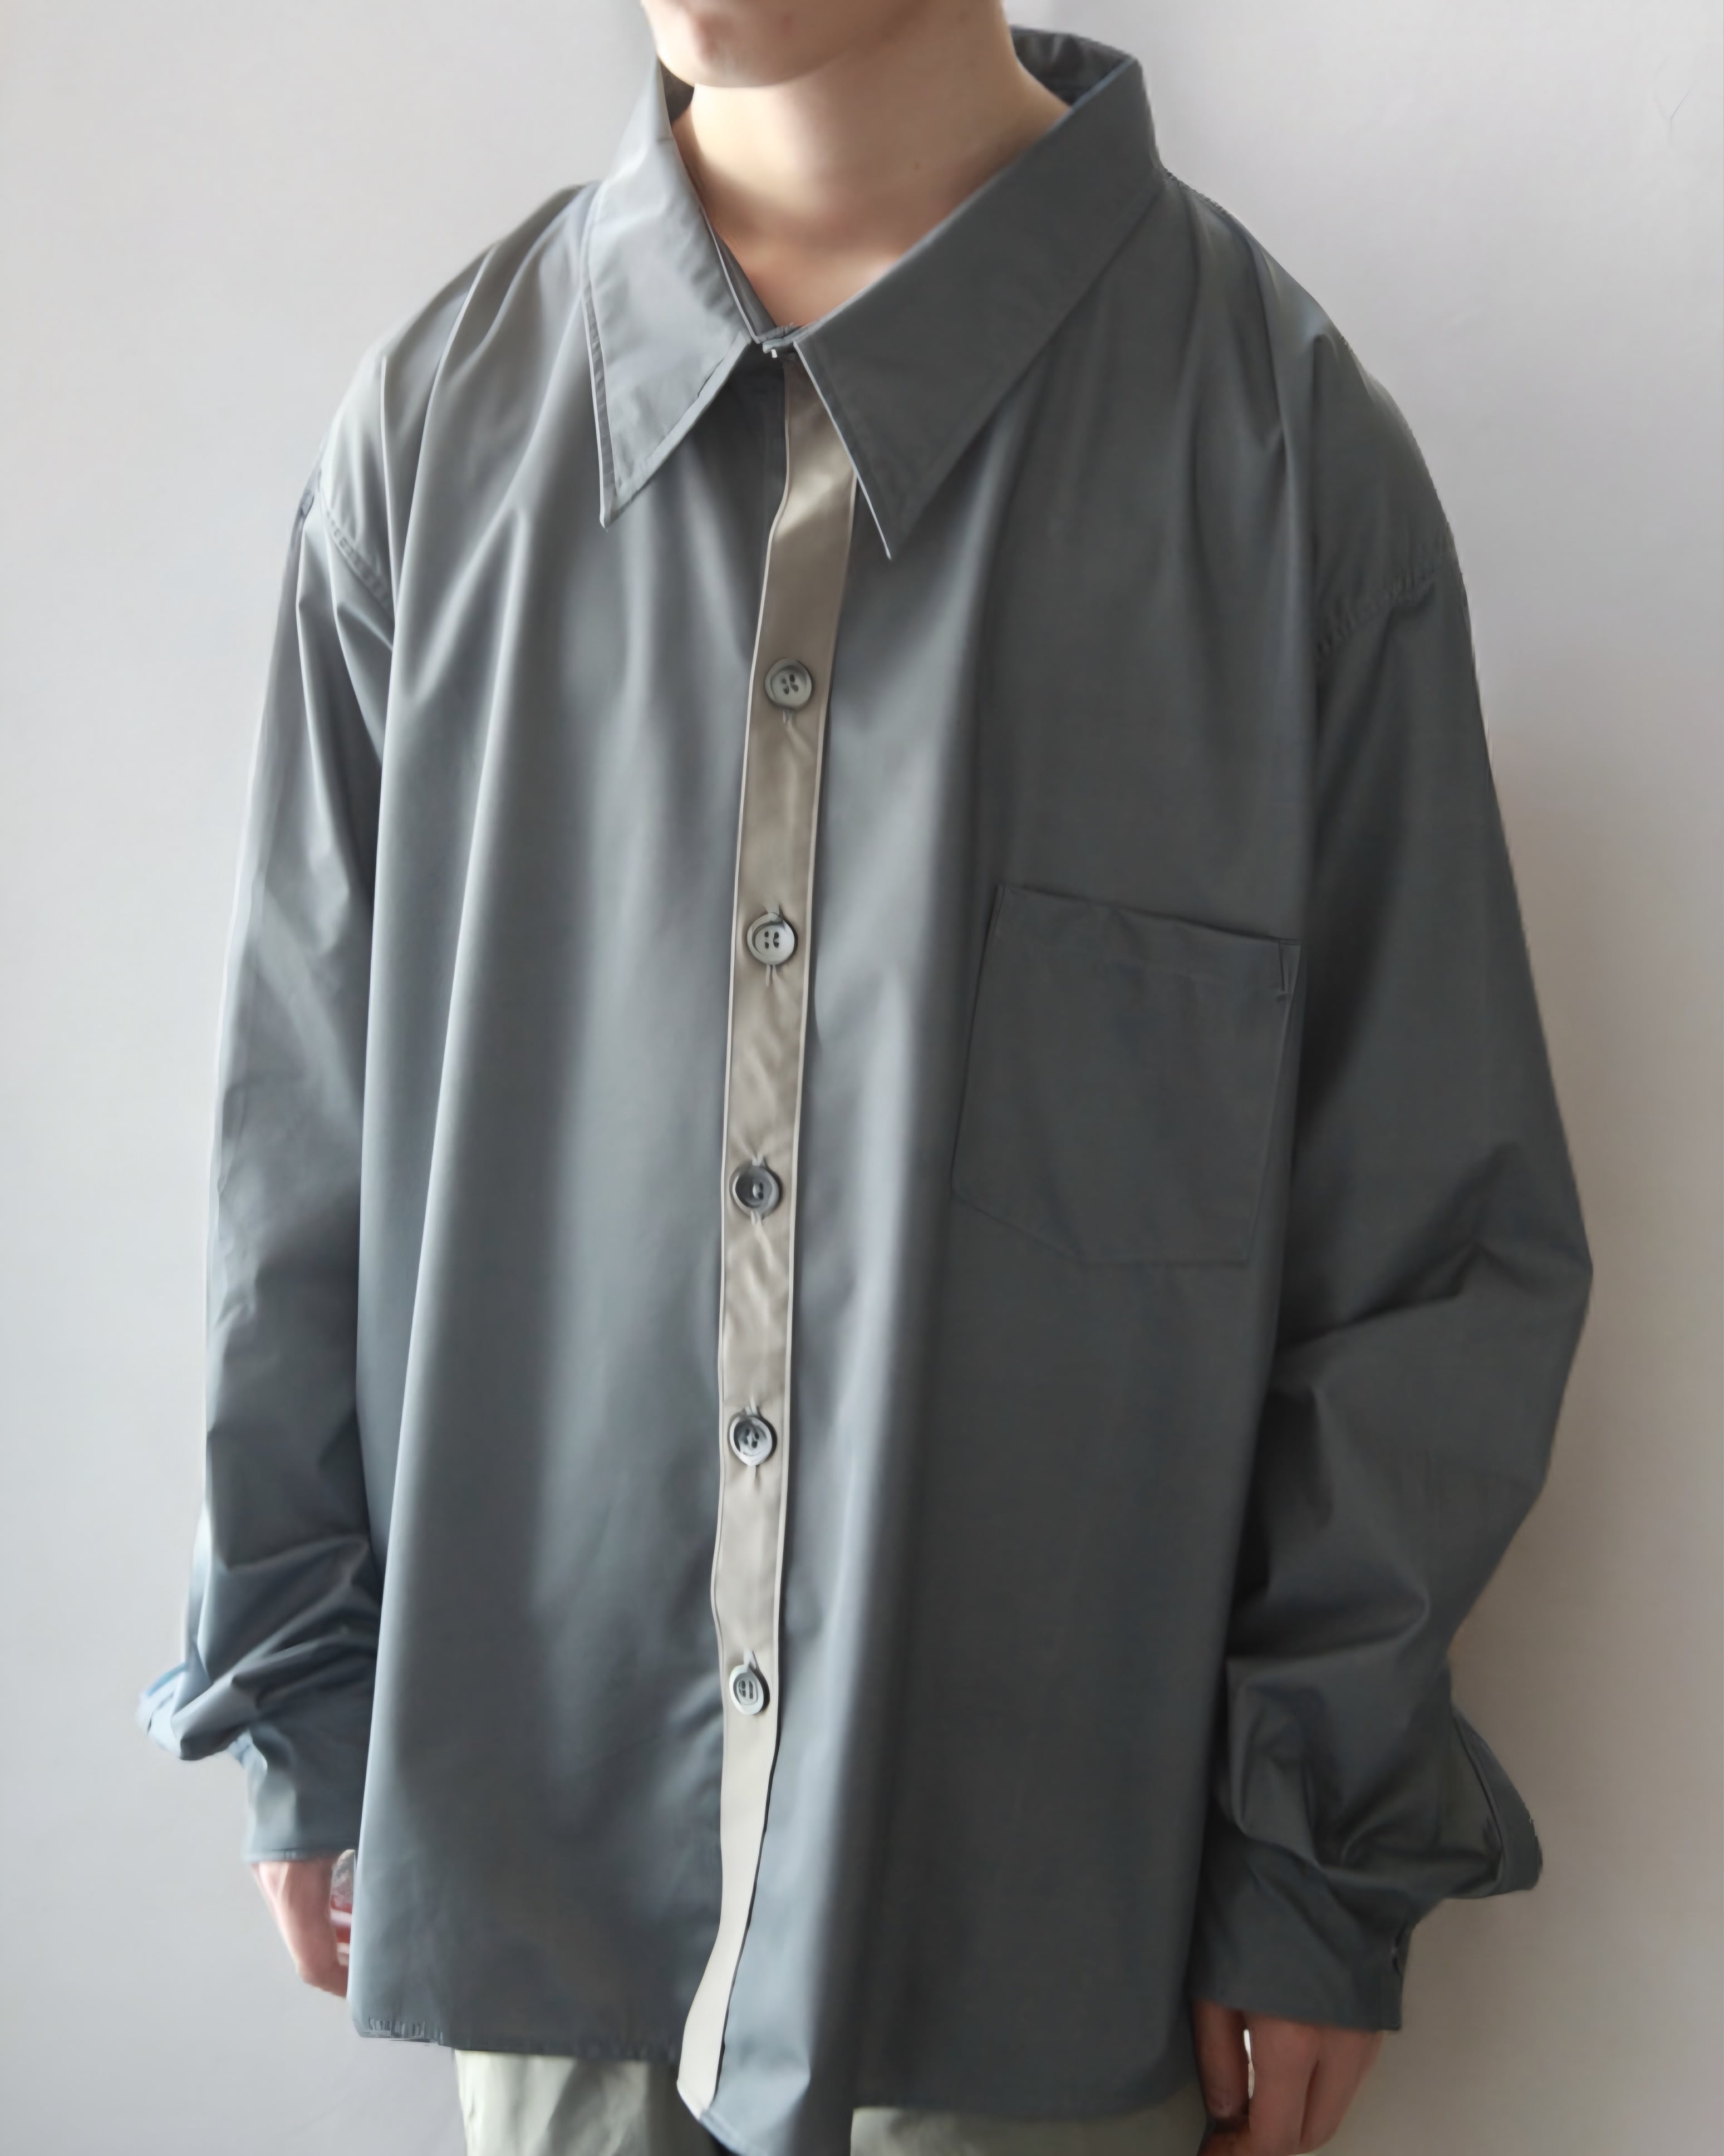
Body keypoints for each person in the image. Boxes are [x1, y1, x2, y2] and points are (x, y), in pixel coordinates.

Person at [138, 5, 1593, 2154]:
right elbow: (300, 1150)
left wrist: (1311, 1850)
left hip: (1046, 1936)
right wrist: (300, 1676)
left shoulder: (1284, 468)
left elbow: (1422, 1231)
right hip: (546, 1876)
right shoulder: (439, 439)